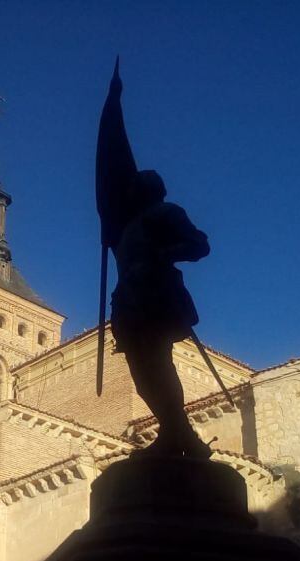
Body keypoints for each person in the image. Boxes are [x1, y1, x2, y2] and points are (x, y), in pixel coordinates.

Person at [111, 169, 212, 457]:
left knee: (158, 368)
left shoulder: (166, 213)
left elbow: (199, 245)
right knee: (143, 376)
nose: (130, 193)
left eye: (136, 188)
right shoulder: (128, 228)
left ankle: (180, 437)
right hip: (130, 308)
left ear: (150, 190)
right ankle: (177, 434)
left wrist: (160, 256)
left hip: (155, 302)